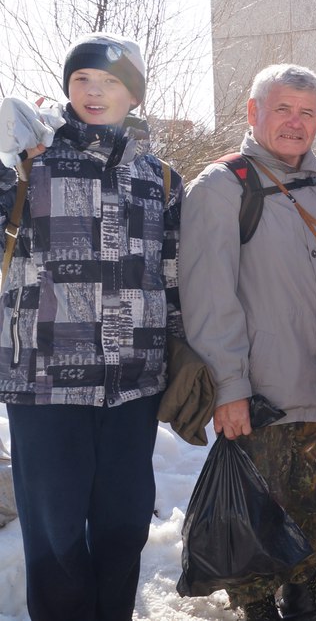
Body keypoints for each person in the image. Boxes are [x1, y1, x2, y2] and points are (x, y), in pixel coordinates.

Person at [180, 63, 316, 621]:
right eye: (282, 109)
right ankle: (258, 605)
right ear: (252, 112)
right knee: (258, 508)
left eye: (307, 112)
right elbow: (208, 300)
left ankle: (305, 592)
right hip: (260, 392)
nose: (295, 122)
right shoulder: (222, 187)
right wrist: (229, 389)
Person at [0, 34, 182, 621]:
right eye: (82, 80)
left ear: (134, 93)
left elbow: (173, 276)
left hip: (132, 383)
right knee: (54, 539)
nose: (94, 92)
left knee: (124, 528)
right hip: (44, 384)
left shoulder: (161, 178)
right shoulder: (31, 164)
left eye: (108, 81)